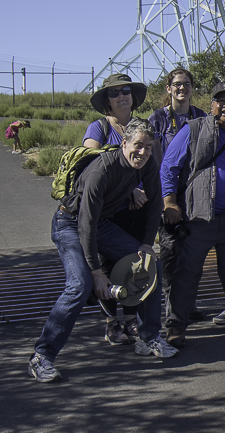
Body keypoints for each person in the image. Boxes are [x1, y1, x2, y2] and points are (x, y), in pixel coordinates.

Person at [28, 119, 178, 383]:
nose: (142, 152)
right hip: (70, 224)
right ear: (124, 143)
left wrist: (145, 243)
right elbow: (85, 224)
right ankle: (42, 356)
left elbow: (155, 204)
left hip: (101, 224)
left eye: (147, 147)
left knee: (149, 264)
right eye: (137, 146)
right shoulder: (102, 170)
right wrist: (96, 272)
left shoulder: (147, 164)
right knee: (80, 285)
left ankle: (148, 339)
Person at [161, 81, 225, 347]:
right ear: (212, 104)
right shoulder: (191, 130)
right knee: (187, 272)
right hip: (197, 217)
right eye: (221, 101)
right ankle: (176, 325)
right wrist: (170, 203)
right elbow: (169, 168)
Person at [84, 73, 150, 345]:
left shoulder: (142, 126)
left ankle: (132, 317)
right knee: (110, 265)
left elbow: (151, 162)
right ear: (106, 102)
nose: (121, 95)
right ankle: (111, 322)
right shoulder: (98, 128)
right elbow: (90, 163)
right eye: (114, 93)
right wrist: (129, 188)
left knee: (134, 264)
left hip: (138, 209)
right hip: (109, 210)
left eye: (126, 90)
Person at [148, 68, 207, 322]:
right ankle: (171, 306)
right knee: (170, 251)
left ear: (192, 89)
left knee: (192, 254)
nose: (182, 88)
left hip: (196, 196)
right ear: (168, 88)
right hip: (167, 196)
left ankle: (187, 303)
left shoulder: (202, 117)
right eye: (177, 84)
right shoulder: (158, 119)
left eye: (186, 84)